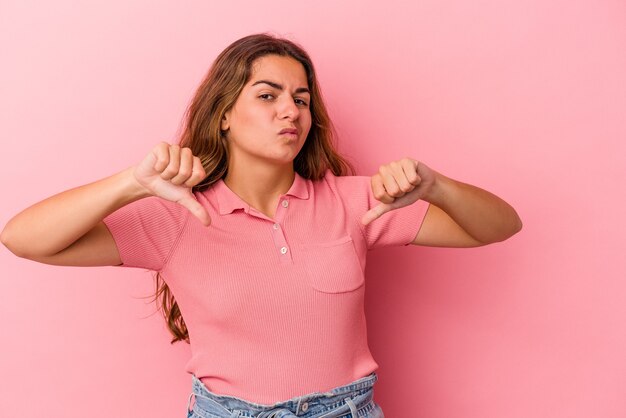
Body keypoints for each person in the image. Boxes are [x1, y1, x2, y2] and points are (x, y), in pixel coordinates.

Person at [1, 33, 522, 418]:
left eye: (301, 99)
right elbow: (22, 238)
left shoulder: (354, 201)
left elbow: (499, 226)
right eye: (268, 96)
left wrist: (435, 186)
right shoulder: (177, 216)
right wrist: (128, 183)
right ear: (224, 113)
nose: (290, 112)